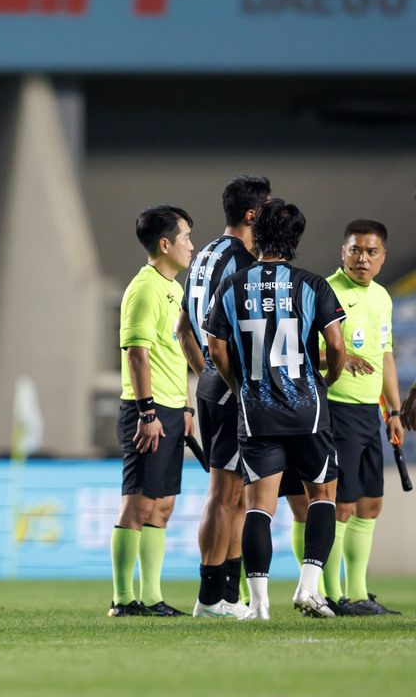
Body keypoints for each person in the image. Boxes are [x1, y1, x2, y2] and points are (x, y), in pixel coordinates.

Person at [204, 199, 346, 621]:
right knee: (322, 496)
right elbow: (336, 345)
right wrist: (326, 381)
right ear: (296, 238)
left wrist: (239, 386)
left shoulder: (232, 286)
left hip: (256, 411)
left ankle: (259, 604)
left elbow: (215, 348)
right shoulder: (312, 285)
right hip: (307, 409)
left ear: (257, 233)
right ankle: (308, 588)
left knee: (258, 507)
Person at [177, 176, 270, 618]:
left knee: (234, 496)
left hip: (212, 383)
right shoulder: (242, 263)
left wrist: (208, 376)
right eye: (266, 208)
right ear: (252, 215)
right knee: (225, 494)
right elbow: (228, 337)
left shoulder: (204, 255)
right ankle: (210, 597)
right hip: (232, 385)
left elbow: (183, 330)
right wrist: (232, 383)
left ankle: (228, 597)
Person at [109, 205, 195, 618]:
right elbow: (136, 354)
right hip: (148, 410)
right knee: (139, 505)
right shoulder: (144, 288)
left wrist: (186, 406)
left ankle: (153, 598)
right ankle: (123, 600)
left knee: (162, 506)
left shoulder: (174, 289)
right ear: (165, 244)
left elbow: (175, 356)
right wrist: (147, 414)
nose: (191, 246)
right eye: (186, 238)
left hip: (172, 409)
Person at [315, 220, 404, 615]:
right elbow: (303, 350)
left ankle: (358, 593)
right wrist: (340, 357)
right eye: (355, 250)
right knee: (342, 506)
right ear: (343, 252)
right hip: (338, 409)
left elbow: (385, 357)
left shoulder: (383, 297)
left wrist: (394, 410)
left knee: (370, 504)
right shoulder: (326, 291)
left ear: (383, 257)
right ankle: (334, 596)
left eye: (371, 252)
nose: (362, 258)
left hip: (371, 413)